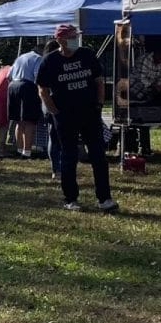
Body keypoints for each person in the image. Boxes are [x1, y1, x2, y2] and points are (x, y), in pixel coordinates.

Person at [38, 22, 118, 213]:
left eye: (76, 36)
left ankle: (104, 198)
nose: (76, 40)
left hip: (90, 112)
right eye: (72, 37)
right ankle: (70, 198)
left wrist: (98, 105)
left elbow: (98, 81)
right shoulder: (50, 61)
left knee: (98, 156)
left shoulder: (87, 55)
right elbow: (42, 89)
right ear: (61, 40)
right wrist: (54, 111)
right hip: (65, 116)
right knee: (69, 156)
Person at [7, 41, 45, 158]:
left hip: (13, 86)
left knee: (19, 121)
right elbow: (37, 76)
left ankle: (19, 149)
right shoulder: (38, 58)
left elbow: (8, 75)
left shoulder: (21, 57)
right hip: (27, 87)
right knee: (29, 121)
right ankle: (27, 151)